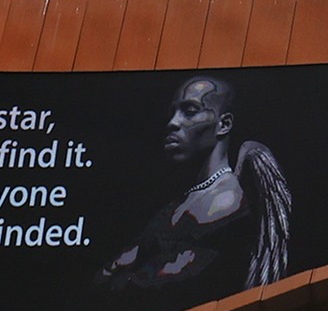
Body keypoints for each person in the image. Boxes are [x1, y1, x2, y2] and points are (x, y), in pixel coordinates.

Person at [96, 76, 291, 293]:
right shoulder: (173, 207)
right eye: (172, 112)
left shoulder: (232, 197)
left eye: (190, 111)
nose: (173, 122)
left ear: (223, 124)